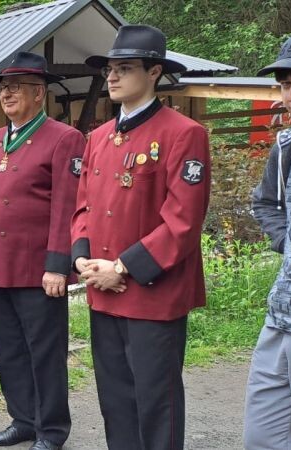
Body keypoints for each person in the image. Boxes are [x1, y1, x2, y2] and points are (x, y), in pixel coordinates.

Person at [73, 25, 211, 450]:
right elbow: (83, 208)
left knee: (156, 401)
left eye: (125, 68)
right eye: (110, 69)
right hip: (102, 287)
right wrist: (82, 260)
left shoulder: (183, 133)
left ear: (154, 72)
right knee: (114, 398)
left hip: (153, 292)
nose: (112, 77)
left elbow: (183, 221)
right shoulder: (97, 137)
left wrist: (122, 267)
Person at [0, 52, 83, 450]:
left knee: (44, 353)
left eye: (16, 87)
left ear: (39, 93)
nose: (7, 93)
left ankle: (51, 429)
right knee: (9, 349)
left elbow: (67, 207)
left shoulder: (64, 138)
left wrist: (58, 265)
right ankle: (23, 419)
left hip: (37, 270)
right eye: (3, 87)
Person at [245, 26, 291, 449]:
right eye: (287, 84)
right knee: (264, 436)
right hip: (284, 313)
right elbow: (265, 203)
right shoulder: (288, 144)